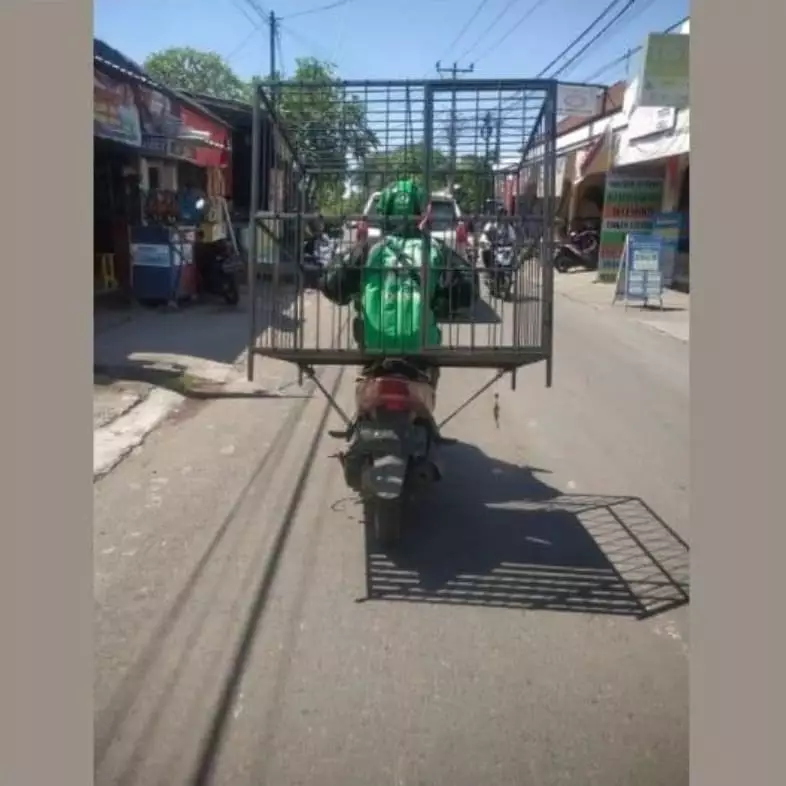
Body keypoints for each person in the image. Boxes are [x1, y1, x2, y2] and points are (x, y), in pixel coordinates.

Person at [321, 178, 448, 390]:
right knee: (431, 366)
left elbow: (332, 287)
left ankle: (365, 384)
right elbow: (464, 291)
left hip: (374, 345)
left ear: (384, 212)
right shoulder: (434, 249)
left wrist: (355, 290)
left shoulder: (369, 249)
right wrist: (438, 302)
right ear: (420, 213)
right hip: (422, 347)